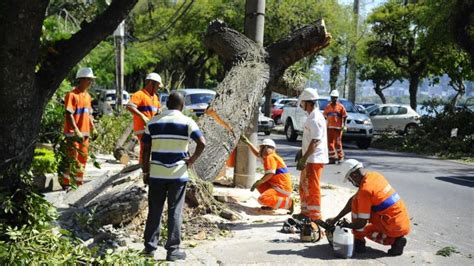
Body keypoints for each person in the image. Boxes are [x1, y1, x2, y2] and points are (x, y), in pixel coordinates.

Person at [141, 91, 206, 261]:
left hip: (156, 174)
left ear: (166, 105)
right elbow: (202, 142)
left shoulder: (153, 122)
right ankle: (173, 250)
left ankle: (149, 248)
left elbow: (145, 150)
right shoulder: (187, 122)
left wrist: (145, 172)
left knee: (154, 210)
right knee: (175, 211)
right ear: (182, 106)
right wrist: (191, 160)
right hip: (178, 174)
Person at [327, 159, 411, 256]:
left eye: (350, 180)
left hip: (392, 226)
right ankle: (398, 240)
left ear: (354, 175)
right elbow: (353, 199)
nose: (351, 182)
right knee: (357, 201)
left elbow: (361, 224)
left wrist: (347, 226)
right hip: (401, 222)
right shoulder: (374, 176)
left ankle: (360, 242)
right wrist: (336, 218)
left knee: (365, 225)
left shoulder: (365, 191)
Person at [295, 88, 329, 221]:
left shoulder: (315, 118)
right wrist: (302, 153)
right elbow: (310, 139)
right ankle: (305, 212)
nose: (302, 105)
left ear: (308, 102)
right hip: (309, 157)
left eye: (303, 103)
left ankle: (315, 216)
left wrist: (304, 157)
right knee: (304, 185)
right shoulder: (312, 116)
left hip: (314, 159)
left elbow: (315, 141)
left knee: (312, 187)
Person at [61, 67, 97, 188]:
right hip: (73, 134)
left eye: (91, 80)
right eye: (88, 79)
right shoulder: (71, 95)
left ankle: (78, 184)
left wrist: (93, 128)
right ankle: (66, 183)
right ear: (81, 80)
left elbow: (88, 114)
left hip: (85, 135)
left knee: (83, 160)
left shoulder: (88, 96)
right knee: (72, 159)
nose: (90, 82)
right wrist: (76, 130)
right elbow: (68, 114)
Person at [240, 136, 294, 213]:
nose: (260, 150)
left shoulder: (270, 157)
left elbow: (270, 174)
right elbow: (257, 154)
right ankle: (272, 204)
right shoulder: (271, 156)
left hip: (281, 188)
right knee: (260, 185)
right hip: (279, 186)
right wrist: (249, 143)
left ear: (266, 148)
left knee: (262, 199)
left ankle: (289, 203)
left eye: (262, 148)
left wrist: (260, 181)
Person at [126, 73, 162, 163]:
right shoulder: (140, 94)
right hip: (142, 129)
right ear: (151, 83)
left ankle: (146, 168)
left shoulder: (155, 97)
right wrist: (142, 116)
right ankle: (142, 169)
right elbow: (129, 106)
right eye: (157, 85)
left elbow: (157, 111)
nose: (158, 88)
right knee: (145, 150)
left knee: (149, 151)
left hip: (151, 129)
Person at [323, 90, 347, 164]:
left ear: (337, 98)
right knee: (330, 143)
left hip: (338, 128)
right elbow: (324, 116)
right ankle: (332, 158)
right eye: (333, 97)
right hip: (330, 128)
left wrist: (344, 125)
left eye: (335, 98)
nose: (334, 99)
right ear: (331, 98)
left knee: (338, 143)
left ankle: (340, 157)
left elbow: (345, 116)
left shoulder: (341, 107)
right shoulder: (328, 107)